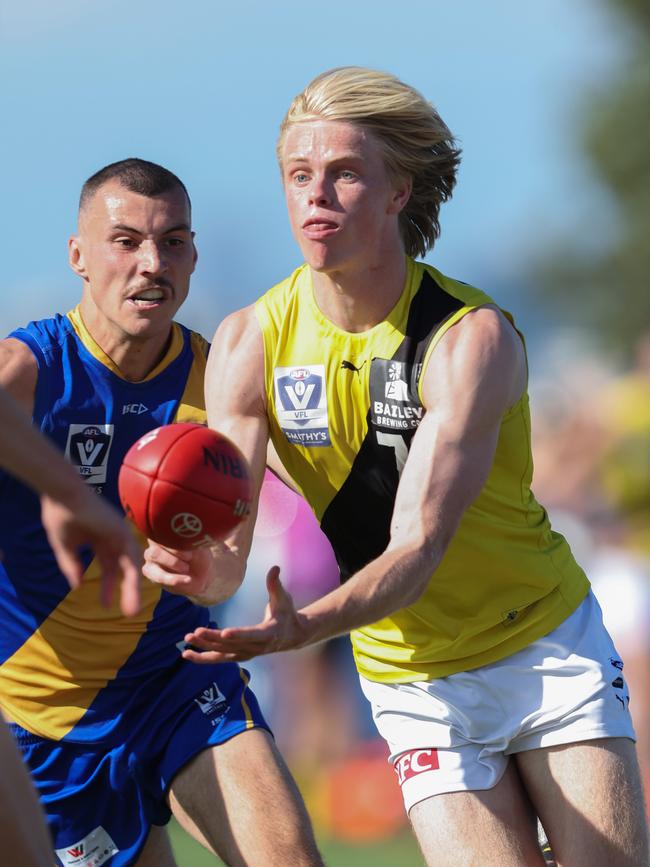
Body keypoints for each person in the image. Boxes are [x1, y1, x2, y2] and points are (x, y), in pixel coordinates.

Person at [143, 69, 649, 866]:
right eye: (299, 176)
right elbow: (227, 554)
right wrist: (190, 563)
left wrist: (305, 627)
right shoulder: (249, 343)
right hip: (412, 679)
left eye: (345, 173)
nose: (318, 196)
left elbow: (417, 547)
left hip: (542, 645)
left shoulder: (467, 337)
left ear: (397, 191)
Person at [0, 158, 322, 867]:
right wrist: (69, 493)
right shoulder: (34, 367)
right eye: (126, 241)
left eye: (172, 242)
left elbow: (241, 549)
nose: (152, 263)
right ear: (78, 256)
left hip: (180, 677)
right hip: (48, 718)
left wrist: (208, 574)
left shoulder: (220, 376)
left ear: (193, 256)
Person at [0, 383, 142, 867]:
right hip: (42, 708)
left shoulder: (203, 363)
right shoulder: (28, 362)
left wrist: (64, 492)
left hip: (165, 677)